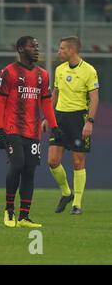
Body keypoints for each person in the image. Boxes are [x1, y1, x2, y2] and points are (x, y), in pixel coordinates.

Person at [0, 36, 62, 228]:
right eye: (32, 46)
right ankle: (9, 211)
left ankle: (24, 217)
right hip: (12, 127)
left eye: (37, 45)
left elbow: (46, 102)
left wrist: (54, 126)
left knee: (29, 171)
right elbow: (0, 102)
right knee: (17, 165)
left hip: (33, 131)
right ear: (20, 49)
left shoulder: (43, 74)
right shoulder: (8, 72)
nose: (36, 48)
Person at [42, 36, 99, 215]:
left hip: (78, 118)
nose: (59, 52)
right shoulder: (59, 70)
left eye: (62, 49)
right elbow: (54, 95)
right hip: (59, 118)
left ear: (72, 50)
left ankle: (77, 204)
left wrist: (89, 122)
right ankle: (66, 192)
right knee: (52, 161)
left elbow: (94, 98)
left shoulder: (89, 71)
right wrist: (47, 117)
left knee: (77, 161)